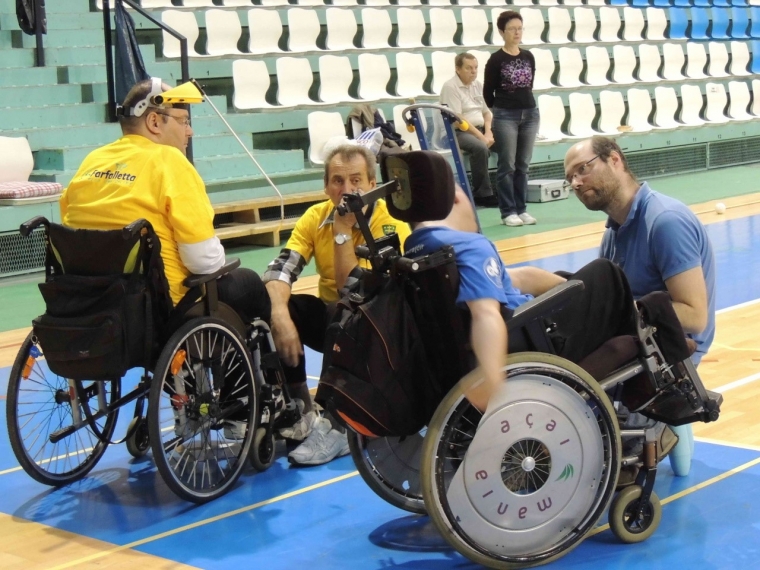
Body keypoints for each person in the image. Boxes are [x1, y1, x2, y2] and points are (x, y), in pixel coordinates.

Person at [404, 185, 639, 411]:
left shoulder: (417, 246)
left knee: (571, 279)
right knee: (607, 274)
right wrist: (491, 378)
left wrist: (571, 289)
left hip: (511, 334)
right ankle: (638, 382)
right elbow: (485, 314)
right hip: (533, 338)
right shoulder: (470, 245)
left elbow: (519, 277)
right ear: (456, 197)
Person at [61, 77, 270, 326]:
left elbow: (70, 227)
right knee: (249, 284)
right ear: (154, 121)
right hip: (158, 309)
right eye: (183, 121)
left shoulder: (92, 160)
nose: (189, 131)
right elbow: (204, 261)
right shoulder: (169, 161)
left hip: (88, 303)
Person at [564, 135, 716, 476]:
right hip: (636, 338)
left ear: (615, 160)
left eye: (583, 169)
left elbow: (694, 316)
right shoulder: (613, 232)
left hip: (672, 349)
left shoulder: (665, 222)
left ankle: (659, 432)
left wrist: (619, 313)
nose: (576, 182)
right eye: (570, 177)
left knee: (601, 448)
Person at [263, 143, 411, 465]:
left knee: (343, 315)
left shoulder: (392, 225)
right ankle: (301, 409)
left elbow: (351, 293)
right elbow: (281, 268)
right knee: (275, 309)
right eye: (338, 181)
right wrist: (279, 316)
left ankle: (340, 424)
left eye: (356, 180)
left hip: (377, 334)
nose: (347, 190)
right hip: (334, 321)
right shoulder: (315, 217)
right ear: (326, 186)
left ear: (372, 184)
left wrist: (342, 231)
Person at [483, 11, 540, 227]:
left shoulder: (528, 56)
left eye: (520, 28)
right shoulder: (496, 59)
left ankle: (522, 208)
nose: (517, 32)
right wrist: (501, 109)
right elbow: (488, 93)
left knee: (523, 164)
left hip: (530, 113)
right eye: (512, 29)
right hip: (505, 115)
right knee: (507, 164)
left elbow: (529, 84)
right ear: (501, 32)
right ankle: (508, 211)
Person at [439, 52, 498, 208]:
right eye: (469, 68)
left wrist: (488, 132)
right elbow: (459, 120)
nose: (473, 71)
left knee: (507, 142)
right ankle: (482, 194)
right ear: (458, 69)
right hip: (455, 133)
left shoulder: (477, 85)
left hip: (479, 129)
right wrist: (482, 138)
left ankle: (505, 188)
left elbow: (486, 112)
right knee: (480, 148)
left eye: (476, 68)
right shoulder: (450, 87)